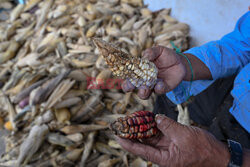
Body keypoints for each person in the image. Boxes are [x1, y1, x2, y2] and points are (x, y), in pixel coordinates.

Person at [116, 10, 250, 167]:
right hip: (240, 90)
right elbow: (241, 45)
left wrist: (221, 157)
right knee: (166, 94)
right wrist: (185, 64)